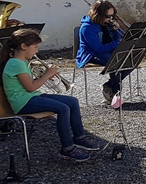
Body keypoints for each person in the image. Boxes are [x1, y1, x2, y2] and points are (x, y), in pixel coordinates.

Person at [2, 29, 103, 162]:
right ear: (23, 46)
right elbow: (31, 86)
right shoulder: (16, 63)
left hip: (31, 97)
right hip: (23, 103)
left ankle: (79, 137)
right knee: (63, 108)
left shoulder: (23, 62)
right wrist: (47, 74)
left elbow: (31, 86)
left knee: (72, 101)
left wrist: (45, 75)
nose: (37, 51)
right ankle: (67, 148)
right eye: (36, 47)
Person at [76, 0, 127, 104]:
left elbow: (115, 40)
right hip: (91, 54)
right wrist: (117, 43)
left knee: (131, 58)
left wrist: (116, 31)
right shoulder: (87, 28)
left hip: (108, 50)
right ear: (98, 15)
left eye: (112, 16)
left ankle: (109, 86)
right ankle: (115, 94)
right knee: (114, 61)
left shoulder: (107, 24)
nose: (110, 19)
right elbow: (98, 48)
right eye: (107, 17)